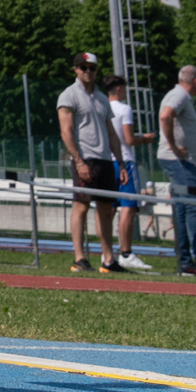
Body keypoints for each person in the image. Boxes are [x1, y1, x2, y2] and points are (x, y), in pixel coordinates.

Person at [57, 52, 122, 274]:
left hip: (104, 160)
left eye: (91, 68)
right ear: (76, 69)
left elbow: (111, 133)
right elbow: (66, 132)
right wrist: (79, 161)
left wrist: (121, 163)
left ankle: (109, 260)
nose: (87, 71)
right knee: (81, 206)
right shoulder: (69, 95)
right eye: (83, 67)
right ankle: (80, 258)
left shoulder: (102, 98)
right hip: (84, 159)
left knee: (106, 209)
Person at [156, 63, 196, 273]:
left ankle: (185, 259)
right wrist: (173, 147)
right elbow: (165, 116)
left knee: (181, 208)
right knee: (193, 205)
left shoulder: (180, 96)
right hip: (178, 160)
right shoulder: (179, 95)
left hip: (181, 161)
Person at [102, 72, 156, 273]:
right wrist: (145, 139)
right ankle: (126, 253)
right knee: (128, 207)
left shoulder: (101, 107)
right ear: (118, 89)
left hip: (106, 161)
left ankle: (106, 252)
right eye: (124, 89)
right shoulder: (124, 109)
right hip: (124, 161)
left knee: (108, 209)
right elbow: (129, 139)